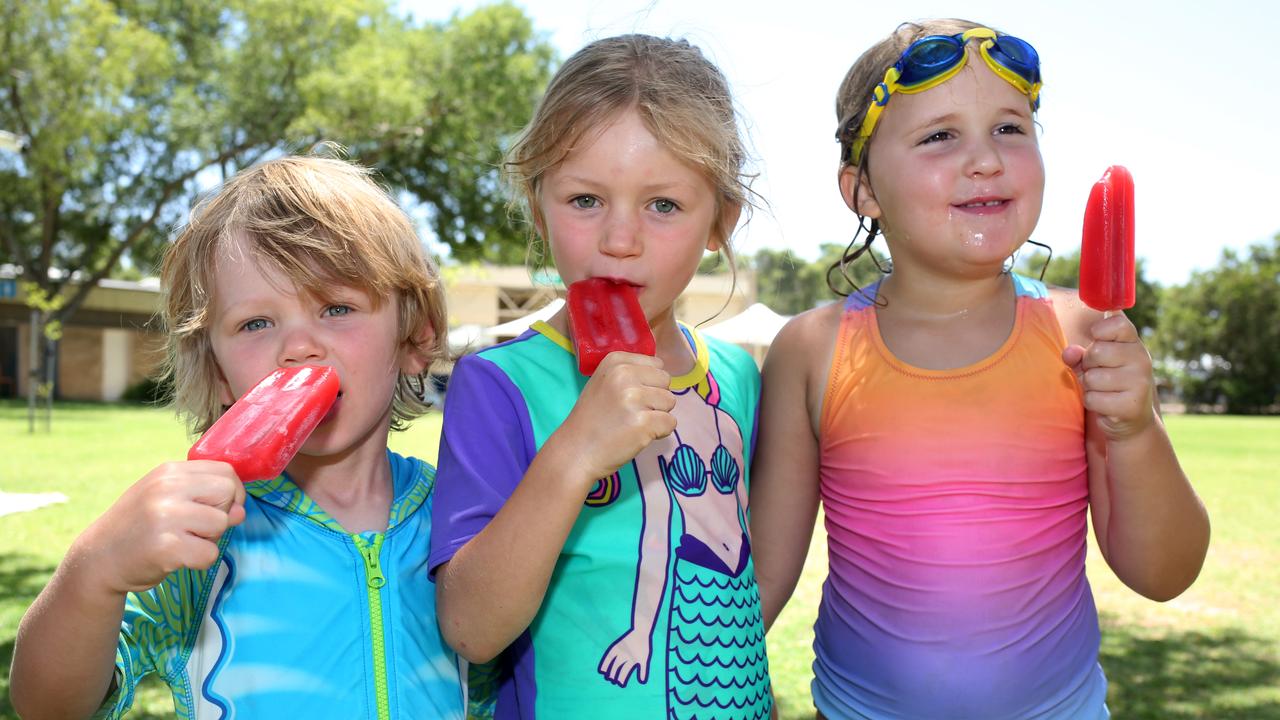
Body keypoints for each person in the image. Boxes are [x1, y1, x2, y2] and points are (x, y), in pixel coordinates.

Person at [749, 19, 1210, 720]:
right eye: (940, 136)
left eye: (1009, 128)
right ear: (863, 189)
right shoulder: (811, 351)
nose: (986, 160)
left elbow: (1165, 575)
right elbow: (761, 581)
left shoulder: (1080, 335)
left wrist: (1137, 430)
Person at [10, 156, 465, 719]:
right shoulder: (200, 531)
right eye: (256, 323)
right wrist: (94, 572)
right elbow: (47, 706)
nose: (298, 347)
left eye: (337, 307)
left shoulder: (461, 516)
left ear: (413, 337)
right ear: (220, 372)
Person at [429, 34, 773, 720]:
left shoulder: (736, 376)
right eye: (585, 200)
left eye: (663, 205)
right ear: (538, 207)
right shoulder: (500, 384)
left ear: (720, 223)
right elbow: (470, 628)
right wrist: (576, 452)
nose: (620, 238)